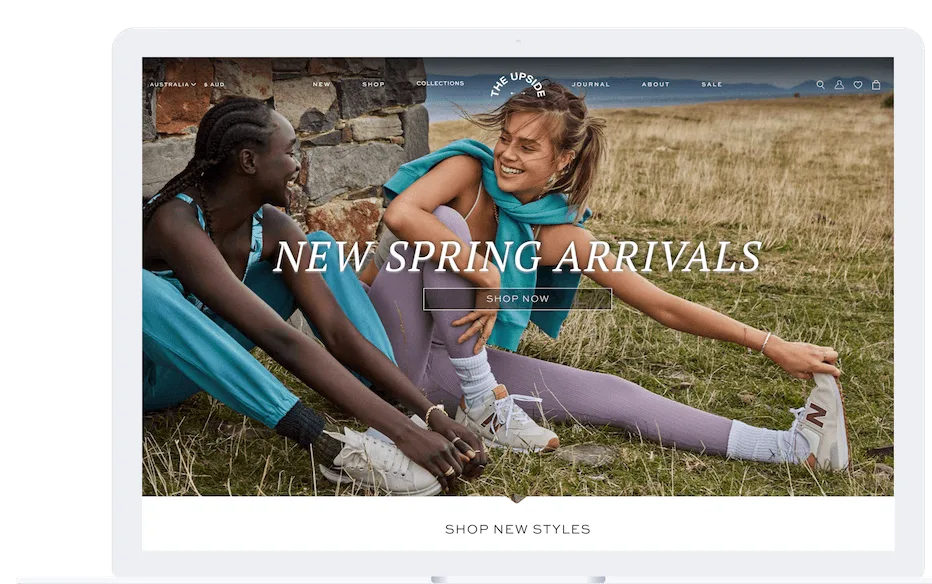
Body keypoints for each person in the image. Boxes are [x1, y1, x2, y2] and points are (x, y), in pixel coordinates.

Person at [356, 81, 851, 471]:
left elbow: (662, 305)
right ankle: (479, 403)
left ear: (562, 160)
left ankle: (788, 449)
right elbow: (402, 215)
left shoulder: (558, 238)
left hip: (440, 372)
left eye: (528, 147)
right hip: (376, 350)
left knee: (614, 393)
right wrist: (487, 274)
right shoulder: (466, 172)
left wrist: (770, 344)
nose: (507, 154)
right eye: (505, 138)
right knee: (442, 223)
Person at [142, 96, 489, 496]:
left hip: (189, 370)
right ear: (249, 162)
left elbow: (338, 332)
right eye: (290, 152)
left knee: (318, 250)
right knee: (134, 286)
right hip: (143, 380)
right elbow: (279, 338)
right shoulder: (175, 221)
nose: (297, 165)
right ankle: (333, 449)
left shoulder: (271, 227)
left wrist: (428, 415)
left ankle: (393, 413)